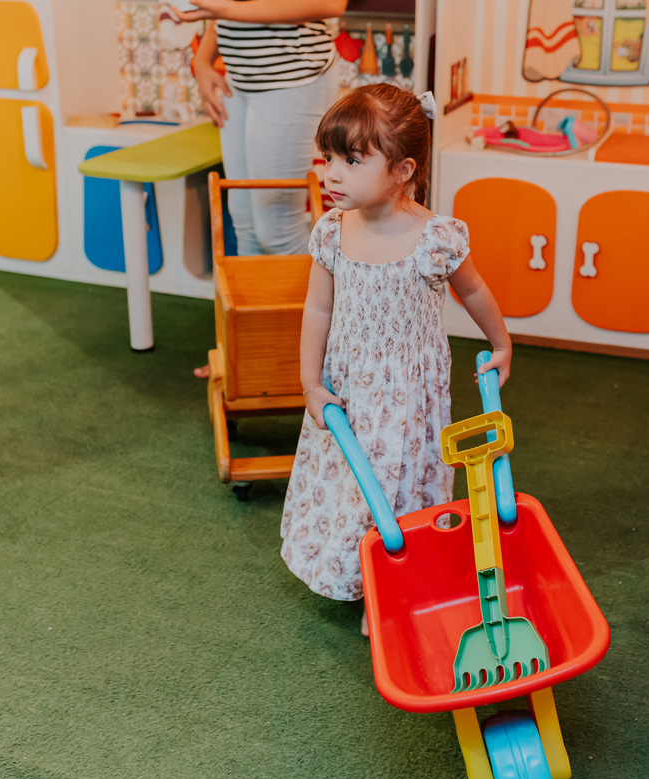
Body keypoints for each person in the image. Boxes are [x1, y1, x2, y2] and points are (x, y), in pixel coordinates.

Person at [280, 84, 512, 634]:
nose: (331, 174)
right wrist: (311, 383)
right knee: (351, 481)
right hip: (350, 385)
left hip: (408, 394)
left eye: (352, 161)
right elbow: (317, 309)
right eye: (329, 158)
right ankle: (354, 573)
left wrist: (501, 343)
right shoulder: (332, 232)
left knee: (395, 486)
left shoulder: (435, 237)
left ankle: (387, 590)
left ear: (404, 169)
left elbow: (474, 292)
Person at [164, 0, 345, 379]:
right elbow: (228, 9)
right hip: (242, 82)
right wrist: (202, 62)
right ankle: (248, 353)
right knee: (244, 221)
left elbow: (329, 3)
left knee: (276, 226)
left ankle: (344, 349)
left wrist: (224, 10)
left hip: (293, 79)